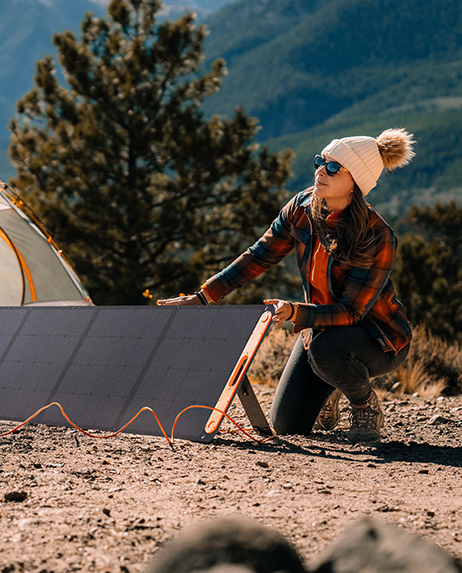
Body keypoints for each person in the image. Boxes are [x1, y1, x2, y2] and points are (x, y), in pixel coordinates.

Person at [159, 129, 416, 442]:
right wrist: (203, 297)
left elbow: (352, 312)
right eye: (321, 161)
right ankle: (333, 381)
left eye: (334, 167)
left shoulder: (378, 236)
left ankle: (363, 404)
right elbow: (259, 256)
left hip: (378, 339)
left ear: (356, 183)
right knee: (287, 425)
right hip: (320, 331)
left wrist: (296, 312)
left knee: (326, 350)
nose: (321, 170)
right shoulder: (301, 208)